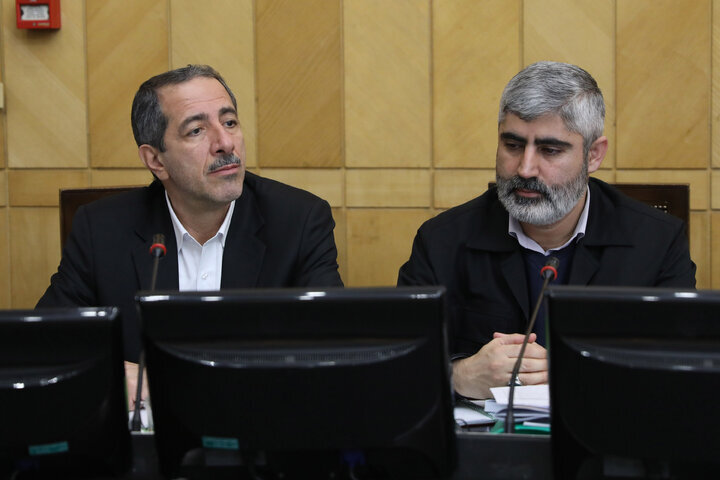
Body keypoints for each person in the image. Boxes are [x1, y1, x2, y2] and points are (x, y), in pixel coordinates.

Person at [397, 61, 696, 399]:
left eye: (550, 150)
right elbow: (398, 366)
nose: (525, 169)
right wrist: (457, 375)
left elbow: (680, 371)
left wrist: (575, 373)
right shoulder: (442, 241)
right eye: (512, 145)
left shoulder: (657, 242)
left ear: (593, 155)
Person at [37, 64, 343, 366]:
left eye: (230, 122)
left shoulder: (299, 222)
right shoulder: (102, 230)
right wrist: (120, 375)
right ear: (155, 160)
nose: (225, 143)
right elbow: (47, 342)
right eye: (196, 130)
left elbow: (332, 346)